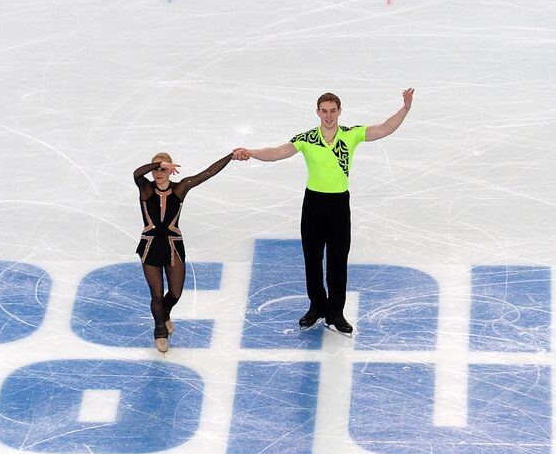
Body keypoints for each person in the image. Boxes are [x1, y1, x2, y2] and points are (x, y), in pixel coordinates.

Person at [234, 89, 414, 333]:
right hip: (314, 205)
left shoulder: (350, 135)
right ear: (317, 112)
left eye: (333, 111)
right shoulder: (307, 138)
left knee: (338, 260)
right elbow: (277, 152)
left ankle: (335, 312)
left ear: (339, 111)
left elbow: (384, 128)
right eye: (324, 111)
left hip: (339, 205)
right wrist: (251, 153)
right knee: (313, 258)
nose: (328, 116)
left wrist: (405, 108)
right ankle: (317, 306)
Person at [132, 151, 236, 352]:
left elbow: (208, 173)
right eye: (155, 169)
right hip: (150, 246)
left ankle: (165, 312)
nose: (158, 173)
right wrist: (156, 164)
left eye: (163, 168)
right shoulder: (146, 189)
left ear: (171, 170)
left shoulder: (180, 188)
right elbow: (137, 173)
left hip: (173, 245)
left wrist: (230, 156)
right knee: (156, 295)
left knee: (176, 293)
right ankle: (160, 331)